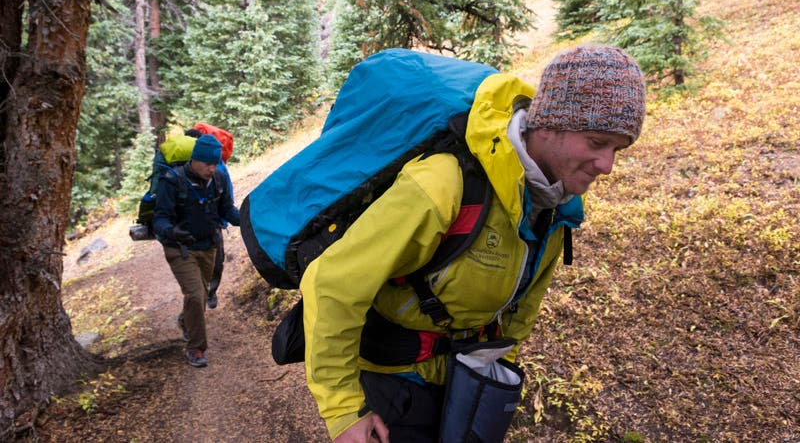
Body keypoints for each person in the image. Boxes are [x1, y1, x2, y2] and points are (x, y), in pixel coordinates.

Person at [298, 45, 646, 441]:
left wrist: (500, 369)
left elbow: (522, 305)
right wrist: (344, 412)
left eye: (618, 149)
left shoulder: (556, 204)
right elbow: (333, 285)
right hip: (392, 386)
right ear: (549, 124)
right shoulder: (444, 184)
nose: (607, 166)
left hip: (465, 386)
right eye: (597, 142)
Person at [153, 134, 240, 367]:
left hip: (208, 246)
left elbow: (227, 210)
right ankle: (196, 349)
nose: (212, 169)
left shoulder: (219, 180)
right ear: (195, 160)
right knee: (195, 294)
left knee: (199, 294)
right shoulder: (172, 181)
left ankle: (185, 321)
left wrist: (247, 219)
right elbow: (159, 220)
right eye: (207, 164)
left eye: (215, 163)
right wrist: (173, 232)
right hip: (180, 249)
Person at [184, 128, 234, 309]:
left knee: (216, 263)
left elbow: (226, 199)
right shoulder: (179, 176)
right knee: (195, 285)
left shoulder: (217, 170)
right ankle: (194, 311)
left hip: (213, 228)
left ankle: (209, 292)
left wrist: (236, 217)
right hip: (186, 234)